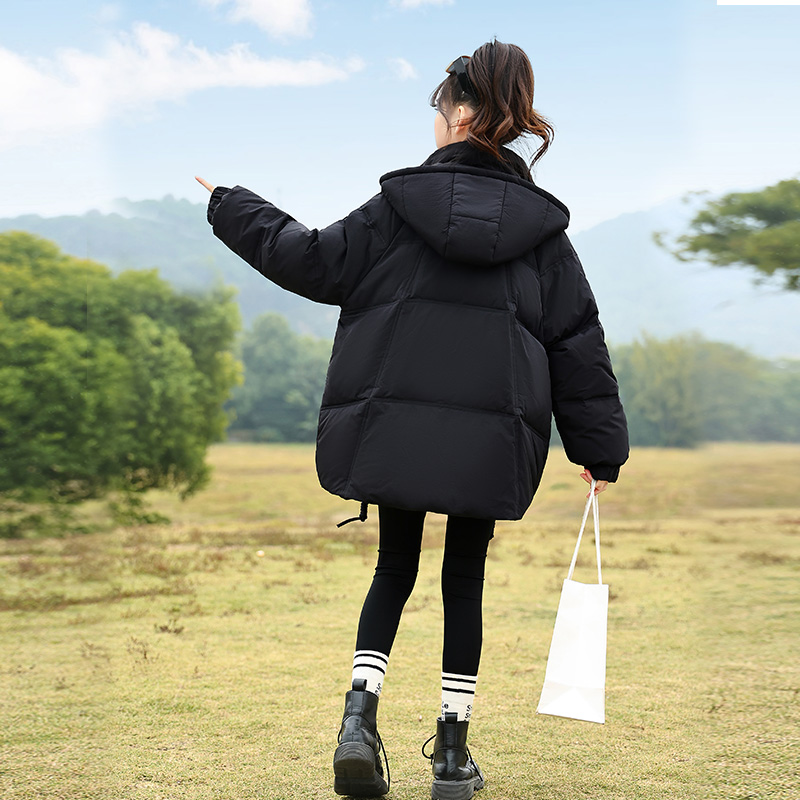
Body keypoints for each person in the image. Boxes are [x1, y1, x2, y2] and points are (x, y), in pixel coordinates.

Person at [197, 39, 628, 800]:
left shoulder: (396, 207)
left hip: (394, 427)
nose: (435, 120)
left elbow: (313, 261)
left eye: (437, 107)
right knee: (464, 577)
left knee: (394, 567)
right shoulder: (543, 233)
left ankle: (357, 726)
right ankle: (453, 757)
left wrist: (235, 206)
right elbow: (576, 339)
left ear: (460, 112)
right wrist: (598, 446)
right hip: (492, 440)